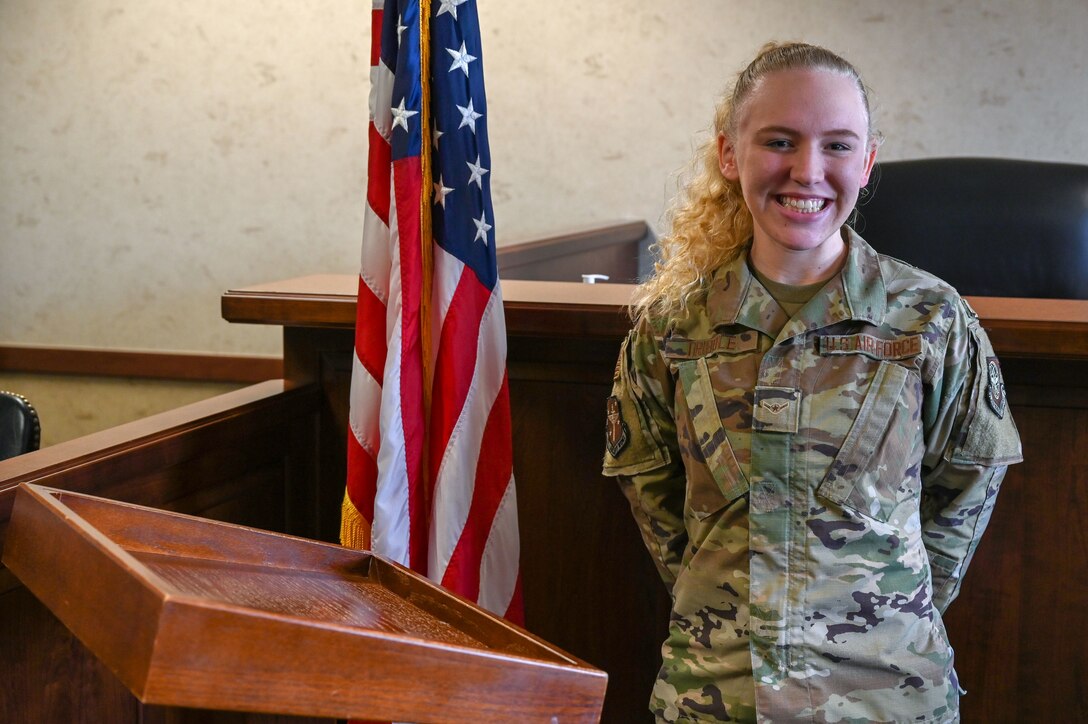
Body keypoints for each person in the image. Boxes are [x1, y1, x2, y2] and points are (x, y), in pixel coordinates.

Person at [601, 42, 1022, 724]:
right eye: (779, 140)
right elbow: (656, 498)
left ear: (867, 162)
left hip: (885, 699)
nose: (807, 170)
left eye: (837, 145)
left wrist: (885, 612)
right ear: (730, 154)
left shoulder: (931, 320)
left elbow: (966, 487)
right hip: (717, 696)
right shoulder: (673, 330)